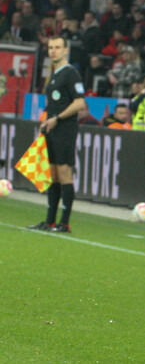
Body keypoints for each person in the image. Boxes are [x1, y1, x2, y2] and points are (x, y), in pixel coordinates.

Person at [28, 36, 85, 234]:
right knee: (52, 174)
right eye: (51, 47)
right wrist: (47, 121)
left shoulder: (70, 74)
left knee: (64, 173)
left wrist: (57, 119)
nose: (53, 51)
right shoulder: (55, 75)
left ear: (66, 50)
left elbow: (79, 103)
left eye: (58, 47)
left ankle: (65, 223)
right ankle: (50, 221)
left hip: (65, 129)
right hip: (52, 128)